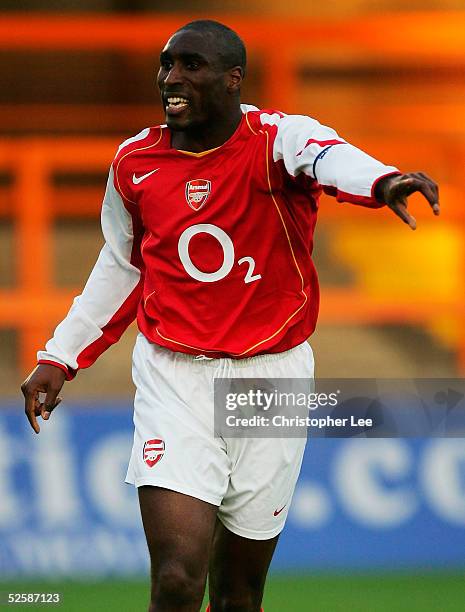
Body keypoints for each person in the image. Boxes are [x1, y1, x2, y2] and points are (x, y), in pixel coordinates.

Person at [21, 19, 439, 612]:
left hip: (273, 377)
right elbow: (122, 266)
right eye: (167, 65)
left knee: (240, 594)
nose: (172, 79)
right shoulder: (134, 162)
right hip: (175, 376)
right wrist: (59, 356)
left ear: (233, 79)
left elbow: (330, 159)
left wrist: (384, 181)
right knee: (176, 578)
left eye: (191, 65)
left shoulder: (278, 139)